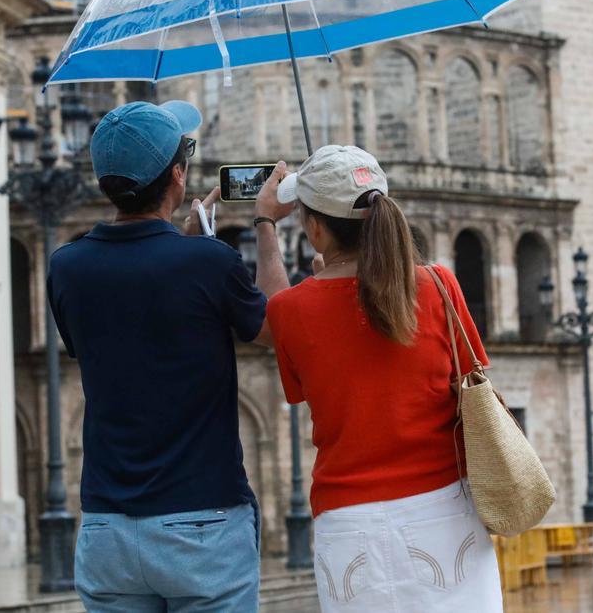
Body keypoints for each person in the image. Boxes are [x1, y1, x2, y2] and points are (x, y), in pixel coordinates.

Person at [48, 101, 287, 613]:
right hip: (201, 522)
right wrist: (265, 225)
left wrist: (182, 246)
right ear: (178, 175)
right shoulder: (209, 261)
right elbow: (276, 330)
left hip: (107, 527)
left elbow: (134, 301)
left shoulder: (65, 267)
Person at [256, 145, 503, 612]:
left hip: (348, 523)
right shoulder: (438, 284)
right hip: (445, 511)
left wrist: (266, 225)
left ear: (313, 228)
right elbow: (470, 374)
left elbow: (277, 314)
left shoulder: (294, 309)